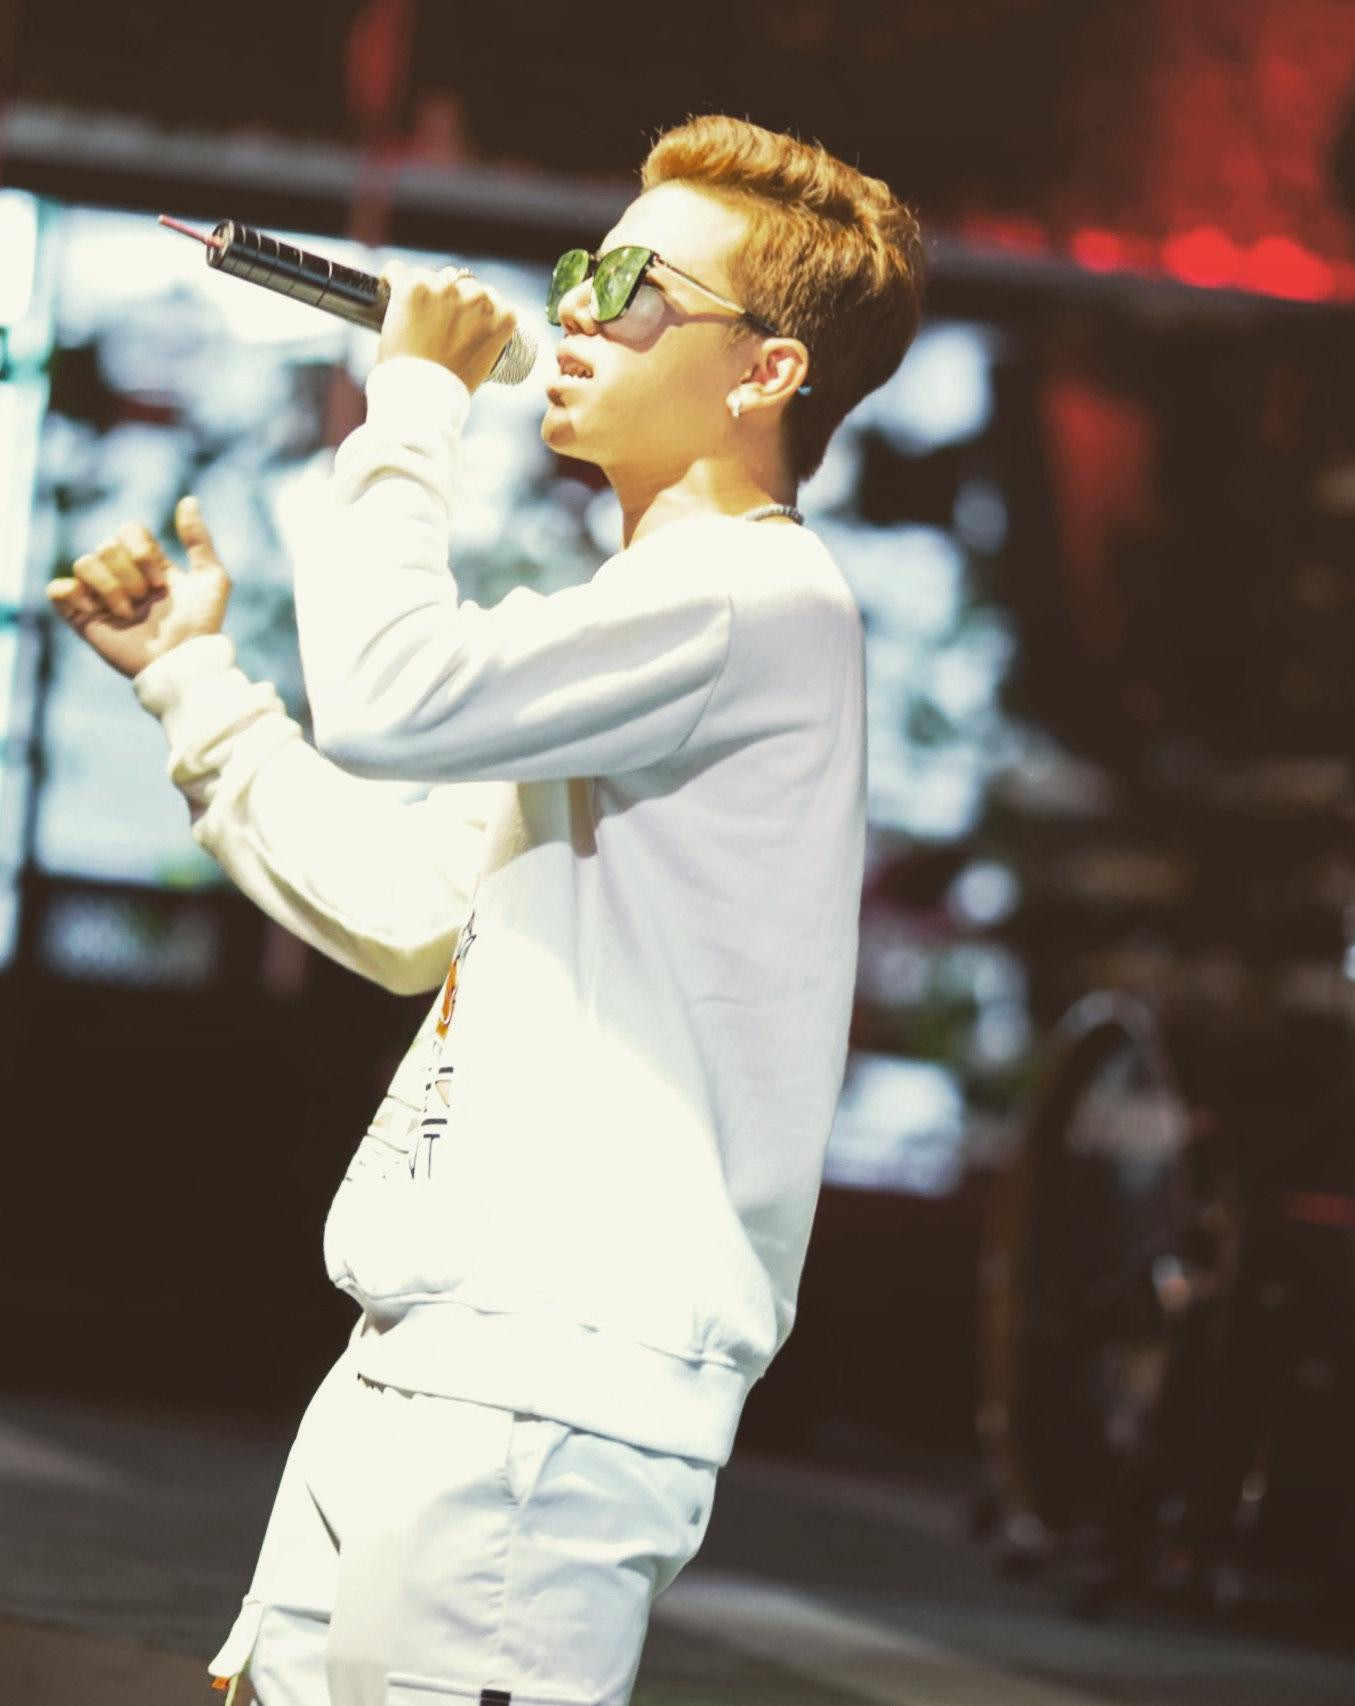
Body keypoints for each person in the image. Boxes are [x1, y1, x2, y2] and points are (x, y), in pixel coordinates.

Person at [47, 114, 925, 1706]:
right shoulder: (645, 614)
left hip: (553, 1378)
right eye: (583, 269)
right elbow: (403, 907)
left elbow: (389, 694)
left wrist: (415, 395)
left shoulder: (755, 599)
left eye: (634, 289)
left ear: (768, 372)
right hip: (429, 1343)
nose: (576, 310)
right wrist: (191, 681)